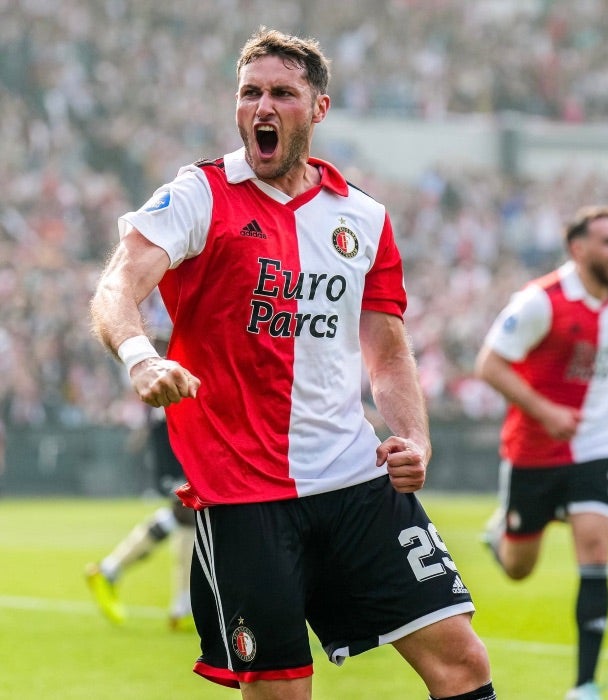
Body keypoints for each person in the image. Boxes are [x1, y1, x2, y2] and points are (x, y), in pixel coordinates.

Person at [89, 27, 496, 700]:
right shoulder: (200, 194)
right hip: (246, 496)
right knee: (281, 693)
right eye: (249, 93)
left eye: (282, 93)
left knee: (462, 662)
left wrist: (415, 438)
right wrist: (139, 357)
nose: (261, 107)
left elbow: (387, 350)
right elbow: (116, 285)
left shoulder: (361, 218)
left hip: (354, 480)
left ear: (320, 108)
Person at [474, 205, 608, 700]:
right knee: (519, 568)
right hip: (534, 450)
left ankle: (584, 685)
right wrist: (544, 410)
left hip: (600, 444)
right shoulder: (539, 302)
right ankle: (499, 535)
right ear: (579, 248)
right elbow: (489, 365)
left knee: (595, 545)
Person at [86, 293, 196, 630]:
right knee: (188, 511)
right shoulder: (164, 346)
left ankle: (112, 571)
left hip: (181, 432)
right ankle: (182, 604)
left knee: (189, 513)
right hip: (171, 437)